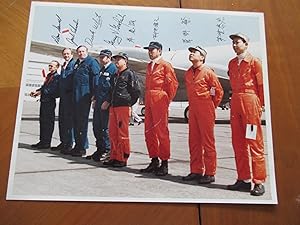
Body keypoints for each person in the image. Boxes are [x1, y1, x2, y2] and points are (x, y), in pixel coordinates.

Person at [226, 33, 266, 196]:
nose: (235, 45)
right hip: (236, 101)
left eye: (238, 42)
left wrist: (260, 104)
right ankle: (243, 179)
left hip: (250, 102)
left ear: (246, 44)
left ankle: (258, 181)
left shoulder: (254, 62)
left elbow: (261, 85)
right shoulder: (232, 63)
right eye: (233, 43)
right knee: (238, 142)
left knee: (253, 141)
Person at [182, 46, 223, 184]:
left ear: (202, 57)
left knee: (207, 141)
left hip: (205, 107)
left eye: (195, 52)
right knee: (193, 141)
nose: (191, 54)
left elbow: (217, 91)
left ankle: (210, 173)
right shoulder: (188, 73)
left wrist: (211, 106)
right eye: (191, 52)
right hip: (193, 108)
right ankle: (196, 170)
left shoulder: (208, 72)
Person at [140, 41, 178, 176]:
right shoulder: (149, 65)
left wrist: (166, 99)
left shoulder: (165, 65)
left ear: (160, 51)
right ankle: (154, 159)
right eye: (149, 50)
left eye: (153, 50)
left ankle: (165, 162)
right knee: (149, 131)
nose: (150, 52)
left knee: (161, 131)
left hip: (159, 98)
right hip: (149, 98)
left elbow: (172, 85)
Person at [102, 52, 140, 167]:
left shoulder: (129, 74)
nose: (117, 61)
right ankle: (114, 156)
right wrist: (108, 101)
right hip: (114, 107)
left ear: (125, 61)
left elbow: (136, 91)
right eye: (115, 59)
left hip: (123, 107)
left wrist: (128, 103)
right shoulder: (115, 75)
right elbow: (111, 90)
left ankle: (122, 158)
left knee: (122, 133)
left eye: (119, 59)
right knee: (113, 133)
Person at [86, 49, 117, 162]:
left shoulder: (113, 70)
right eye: (100, 57)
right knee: (97, 127)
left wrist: (108, 101)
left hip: (106, 104)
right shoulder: (101, 69)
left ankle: (107, 150)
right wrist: (94, 98)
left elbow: (113, 88)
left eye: (103, 57)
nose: (101, 59)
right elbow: (98, 85)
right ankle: (100, 149)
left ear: (109, 58)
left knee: (105, 128)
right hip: (98, 102)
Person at [71, 45, 100, 157]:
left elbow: (95, 79)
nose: (81, 53)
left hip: (84, 96)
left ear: (87, 52)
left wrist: (94, 95)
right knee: (76, 122)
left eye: (83, 51)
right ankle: (77, 145)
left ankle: (82, 147)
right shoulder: (77, 63)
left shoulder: (91, 62)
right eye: (79, 51)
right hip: (76, 96)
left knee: (82, 122)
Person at [51, 48, 76, 153]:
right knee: (62, 120)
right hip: (63, 96)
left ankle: (69, 143)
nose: (66, 55)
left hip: (69, 96)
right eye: (64, 54)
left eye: (68, 54)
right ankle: (63, 141)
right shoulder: (64, 65)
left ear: (71, 54)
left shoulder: (74, 64)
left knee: (69, 121)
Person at [30, 60, 60, 149]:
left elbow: (52, 90)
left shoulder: (57, 77)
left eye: (52, 66)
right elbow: (44, 87)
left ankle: (47, 142)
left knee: (48, 122)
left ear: (57, 67)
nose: (50, 67)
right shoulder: (49, 76)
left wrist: (41, 92)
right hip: (44, 101)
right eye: (49, 65)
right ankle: (42, 141)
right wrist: (37, 91)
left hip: (50, 101)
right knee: (42, 121)